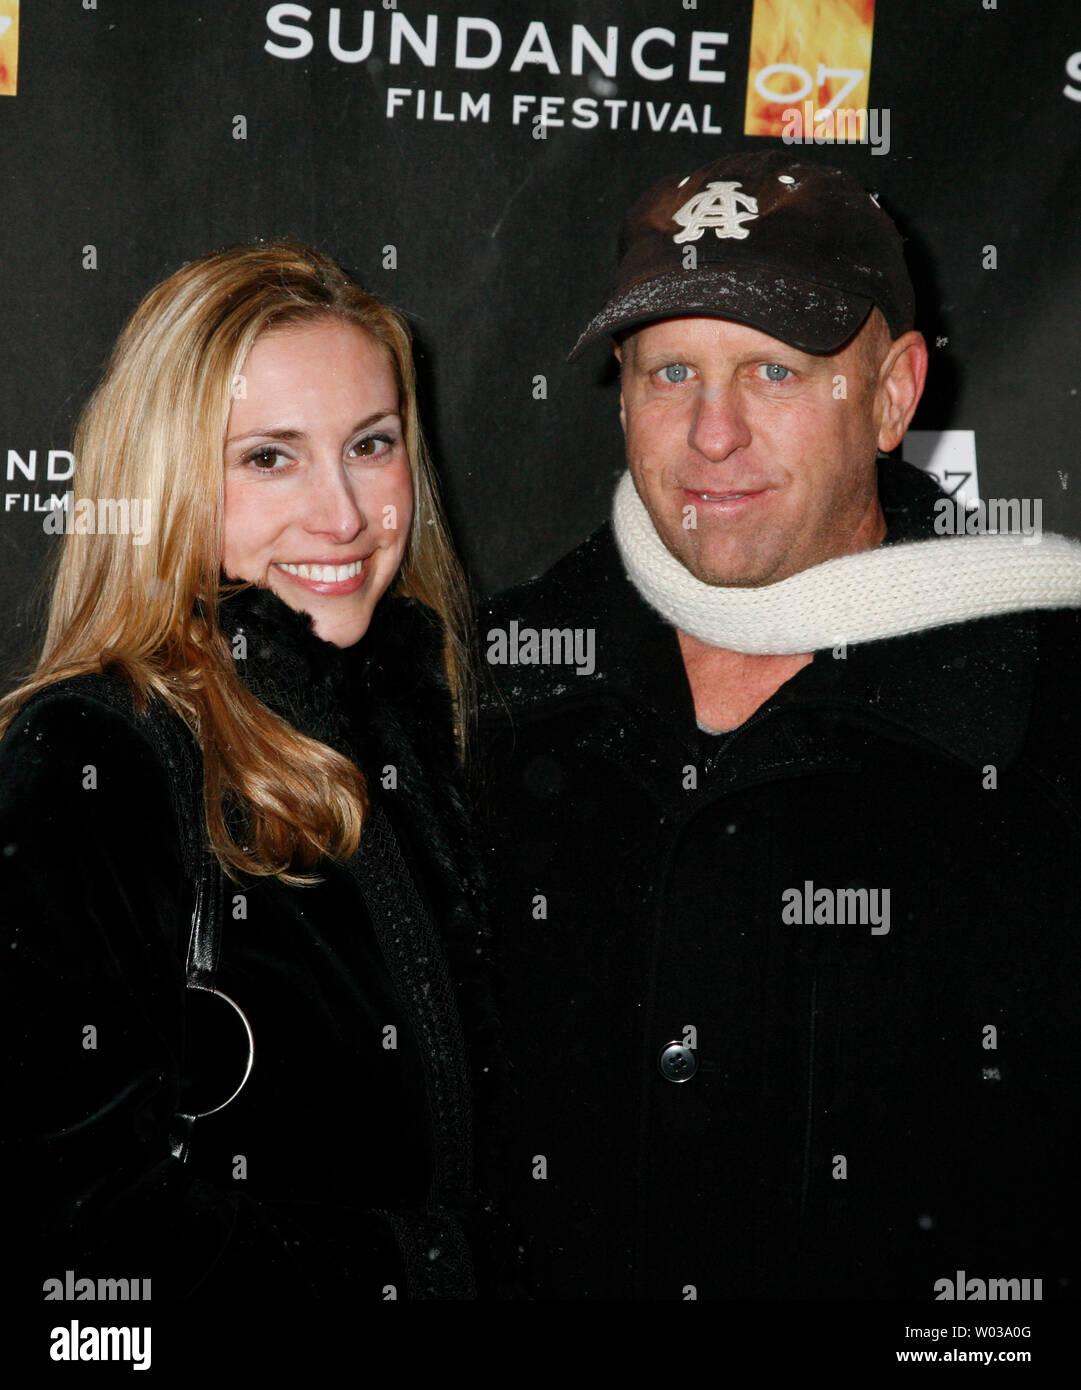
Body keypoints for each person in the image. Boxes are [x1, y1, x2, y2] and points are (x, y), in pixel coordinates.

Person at [480, 151, 1081, 1301]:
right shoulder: (495, 689)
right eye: (668, 375)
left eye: (772, 371)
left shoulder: (1046, 716)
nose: (713, 436)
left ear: (895, 394)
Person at [0, 240, 493, 1305]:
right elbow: (72, 1228)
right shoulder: (94, 756)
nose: (344, 514)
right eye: (269, 457)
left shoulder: (434, 730)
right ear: (165, 478)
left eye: (370, 444)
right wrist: (425, 1270)